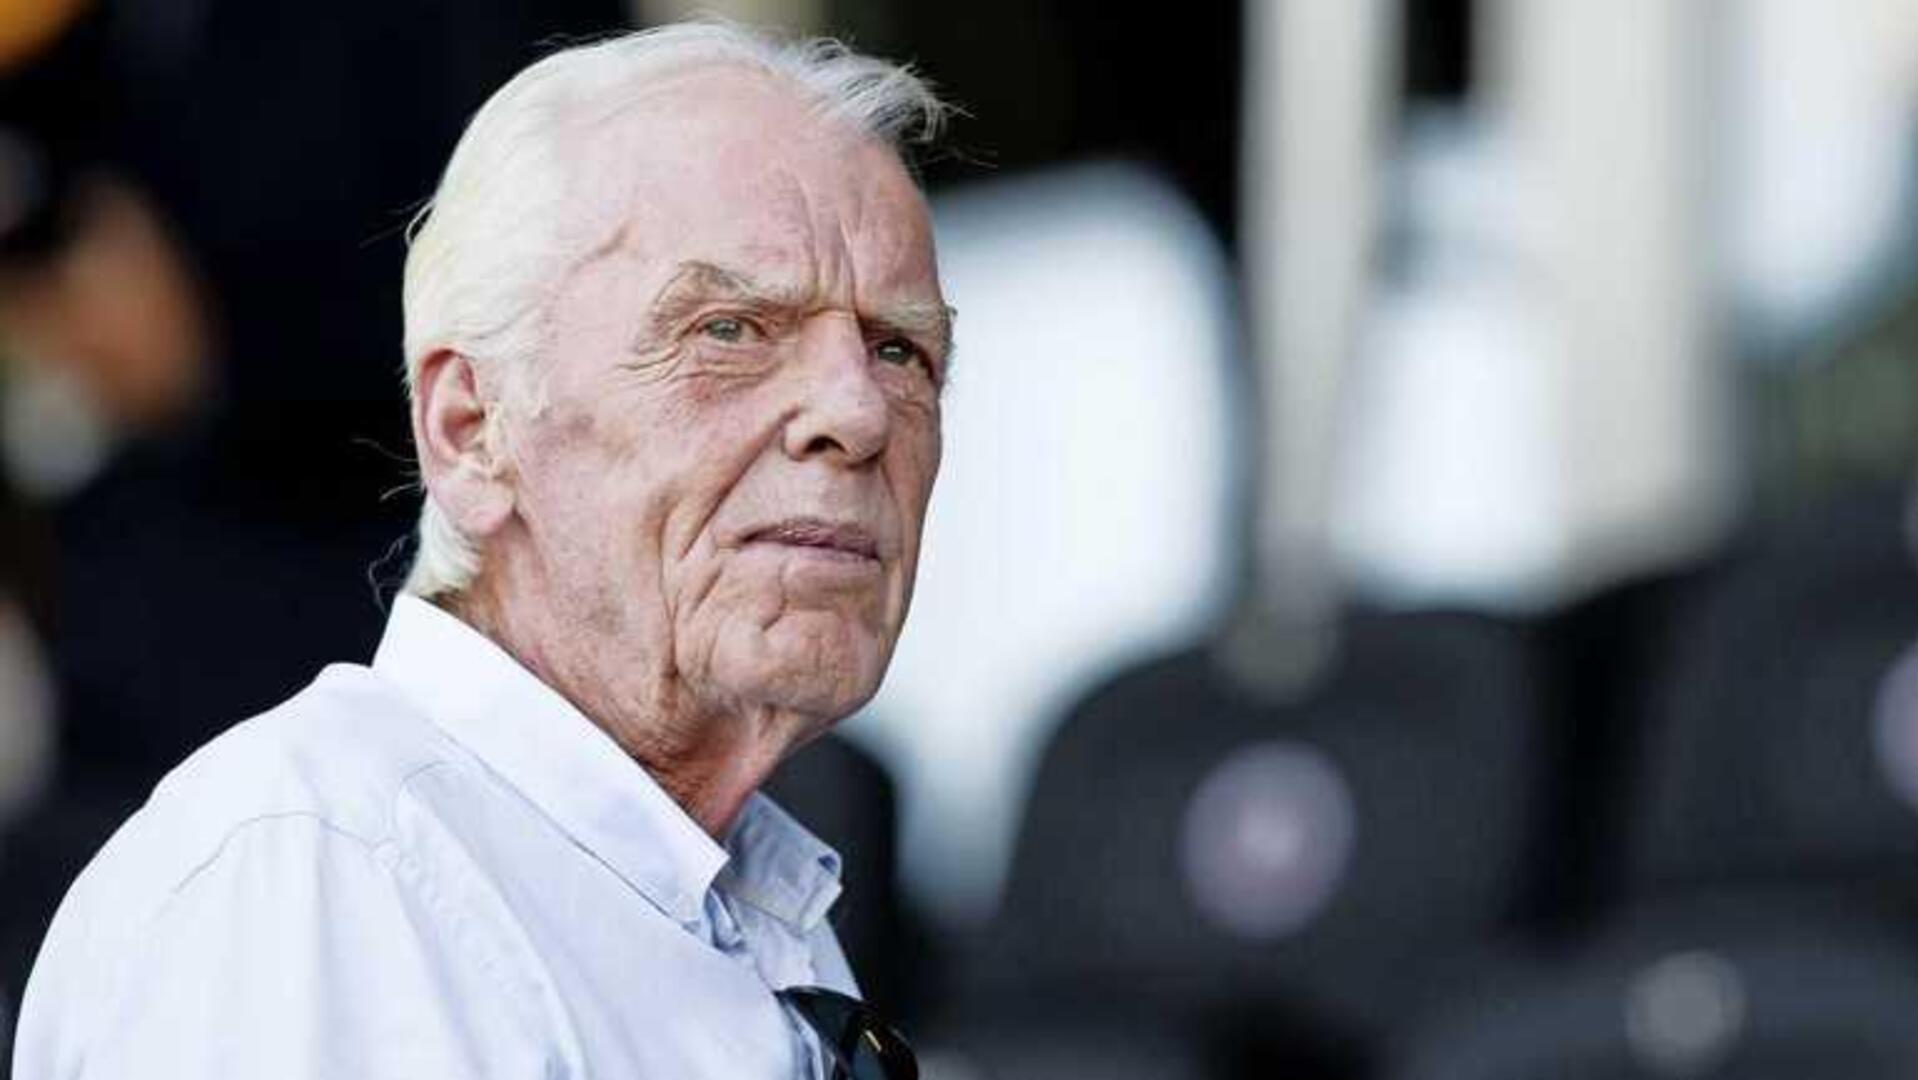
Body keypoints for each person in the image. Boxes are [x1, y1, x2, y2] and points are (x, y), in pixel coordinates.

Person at [11, 21, 951, 1079]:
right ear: (471, 430)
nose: (857, 412)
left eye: (900, 349)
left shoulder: (747, 908)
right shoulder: (328, 883)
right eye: (729, 330)